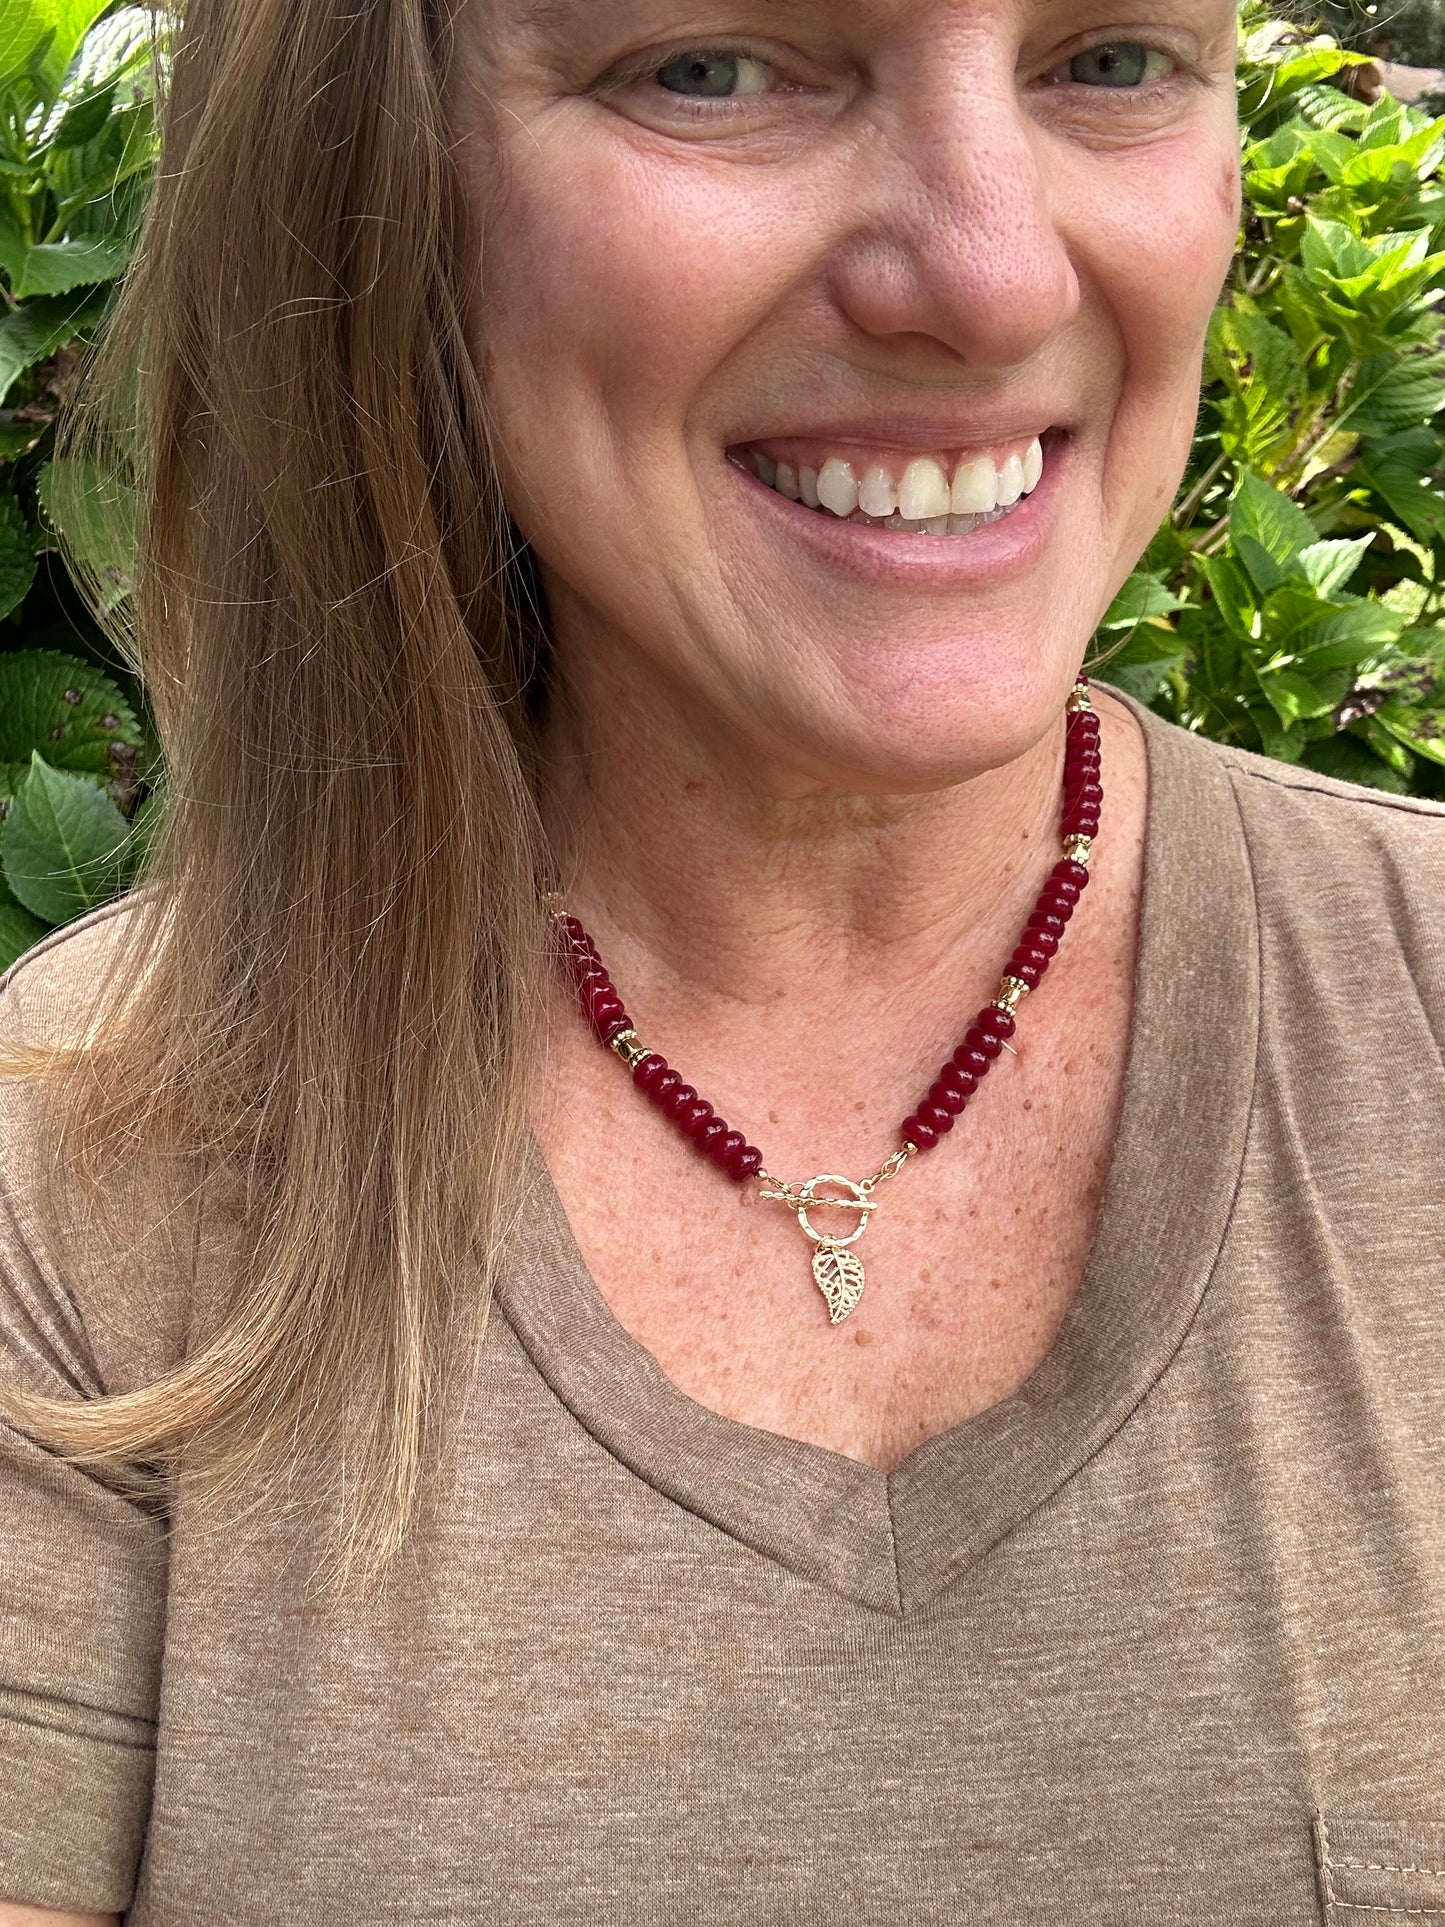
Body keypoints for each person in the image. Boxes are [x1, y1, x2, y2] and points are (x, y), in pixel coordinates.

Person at [2, 0, 1443, 1920]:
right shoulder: (93, 1161)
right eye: (716, 66)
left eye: (1108, 59)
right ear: (385, 200)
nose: (995, 278)